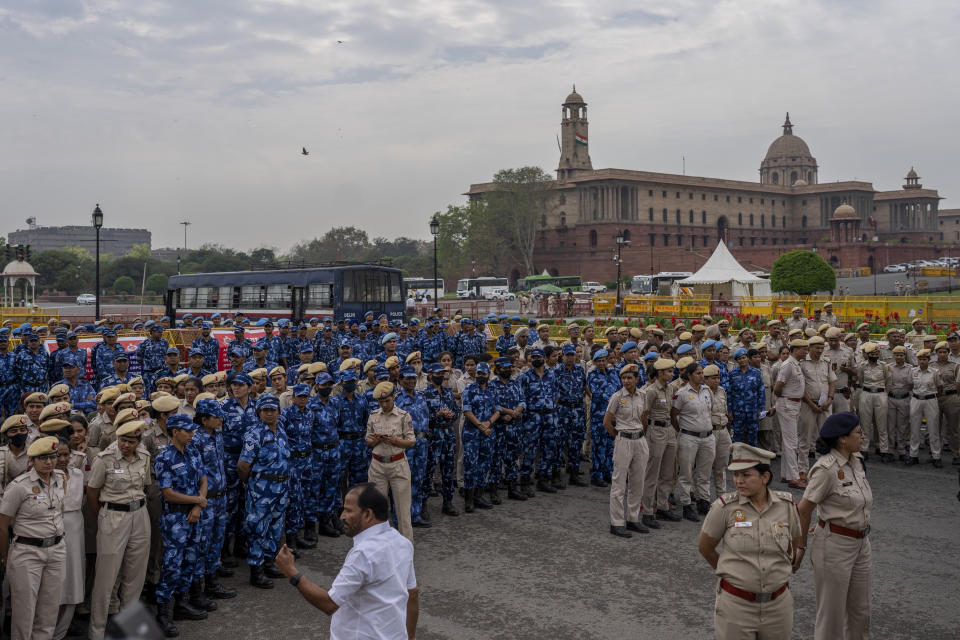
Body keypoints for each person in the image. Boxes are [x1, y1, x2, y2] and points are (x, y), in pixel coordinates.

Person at [274, 483, 418, 640]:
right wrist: (410, 636)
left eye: (349, 511)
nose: (342, 516)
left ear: (368, 514)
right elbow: (412, 595)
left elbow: (329, 604)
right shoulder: (403, 543)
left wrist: (291, 572)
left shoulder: (363, 554)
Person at [698, 443, 804, 640]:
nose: (738, 481)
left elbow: (794, 542)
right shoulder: (724, 508)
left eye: (746, 475)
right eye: (736, 475)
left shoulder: (786, 506)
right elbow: (705, 547)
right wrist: (733, 573)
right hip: (736, 606)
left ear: (765, 477)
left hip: (777, 606)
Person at [797, 412, 873, 640]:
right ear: (842, 438)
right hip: (834, 547)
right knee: (832, 617)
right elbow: (804, 510)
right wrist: (800, 547)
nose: (862, 436)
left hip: (862, 544)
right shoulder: (826, 469)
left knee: (861, 613)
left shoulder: (857, 461)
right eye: (858, 432)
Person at [86, 418, 152, 640]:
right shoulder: (103, 460)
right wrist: (106, 516)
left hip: (139, 515)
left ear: (138, 442)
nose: (126, 445)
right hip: (113, 516)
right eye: (123, 440)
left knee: (135, 576)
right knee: (106, 578)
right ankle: (97, 631)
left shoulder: (144, 457)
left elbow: (145, 485)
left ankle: (129, 629)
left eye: (131, 441)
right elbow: (92, 494)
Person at [0, 436, 66, 640]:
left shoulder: (61, 478)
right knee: (24, 611)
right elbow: (2, 524)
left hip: (56, 550)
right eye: (42, 458)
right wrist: (4, 557)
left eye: (52, 457)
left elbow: (58, 511)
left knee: (49, 609)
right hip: (27, 552)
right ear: (32, 461)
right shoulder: (19, 486)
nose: (49, 462)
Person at [153, 413, 209, 636]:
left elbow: (203, 480)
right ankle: (163, 612)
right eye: (187, 431)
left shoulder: (193, 451)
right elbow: (168, 494)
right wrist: (197, 501)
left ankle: (182, 604)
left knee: (190, 560)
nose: (192, 434)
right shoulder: (164, 457)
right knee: (172, 565)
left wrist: (198, 506)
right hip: (175, 519)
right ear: (174, 431)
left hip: (194, 515)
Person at [238, 394, 290, 589]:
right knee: (258, 529)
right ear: (259, 412)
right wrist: (251, 484)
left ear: (278, 411)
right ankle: (256, 570)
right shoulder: (255, 434)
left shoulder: (281, 431)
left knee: (275, 528)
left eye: (273, 410)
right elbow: (243, 466)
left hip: (281, 489)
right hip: (261, 491)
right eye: (265, 410)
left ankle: (269, 563)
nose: (269, 413)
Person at [604, 364, 649, 538]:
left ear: (637, 379)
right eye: (624, 378)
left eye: (630, 377)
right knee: (619, 483)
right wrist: (617, 436)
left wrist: (641, 435)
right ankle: (616, 522)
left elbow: (644, 418)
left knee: (638, 482)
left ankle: (633, 518)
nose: (626, 381)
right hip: (623, 439)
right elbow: (607, 422)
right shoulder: (616, 397)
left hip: (639, 440)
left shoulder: (643, 396)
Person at [366, 382, 415, 541]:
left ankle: (405, 548)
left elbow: (410, 442)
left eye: (387, 401)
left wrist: (394, 441)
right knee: (377, 511)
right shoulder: (374, 415)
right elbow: (368, 440)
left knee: (403, 512)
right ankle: (379, 548)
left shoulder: (403, 416)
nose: (384, 404)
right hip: (378, 466)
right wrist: (374, 440)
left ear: (393, 397)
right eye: (381, 402)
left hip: (398, 465)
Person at [672, 361, 715, 522]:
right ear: (689, 376)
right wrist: (682, 429)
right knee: (686, 473)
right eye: (698, 373)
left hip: (707, 436)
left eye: (702, 372)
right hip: (689, 437)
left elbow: (709, 411)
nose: (701, 375)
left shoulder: (706, 390)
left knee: (704, 472)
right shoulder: (682, 393)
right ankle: (687, 504)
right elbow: (674, 414)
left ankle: (703, 501)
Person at [774, 339, 808, 488]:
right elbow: (777, 388)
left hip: (793, 403)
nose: (806, 351)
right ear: (795, 350)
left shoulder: (795, 364)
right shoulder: (788, 365)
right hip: (788, 403)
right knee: (791, 442)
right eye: (803, 349)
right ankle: (794, 477)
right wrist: (784, 400)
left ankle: (786, 474)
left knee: (788, 441)